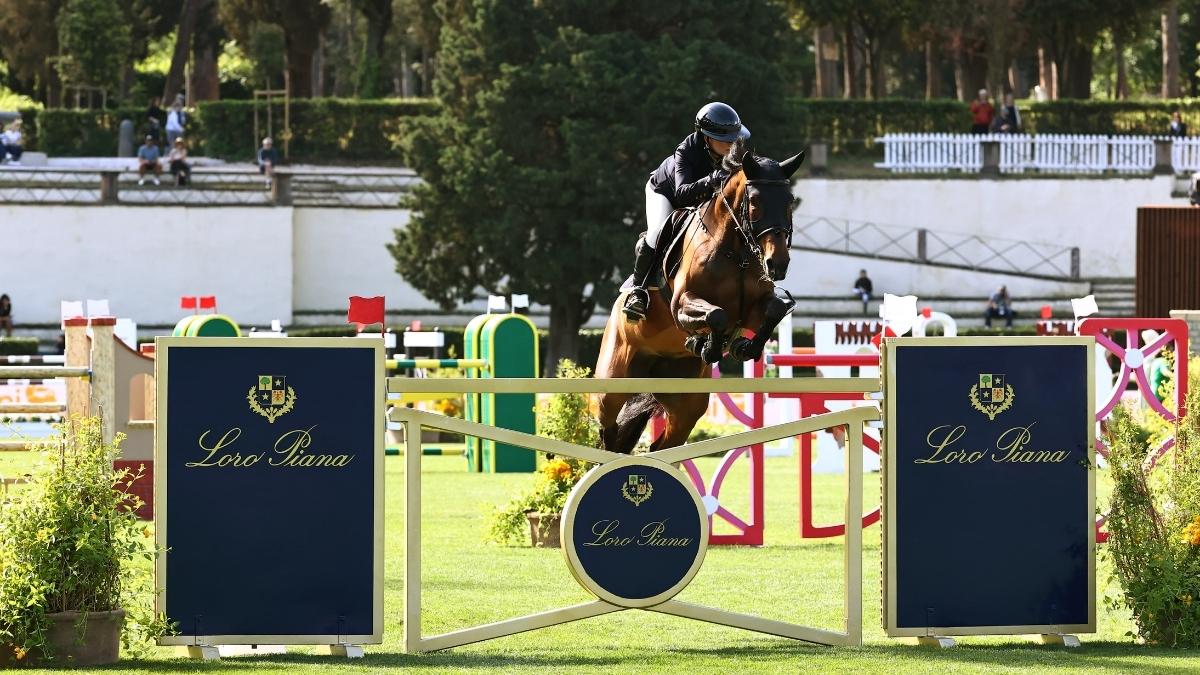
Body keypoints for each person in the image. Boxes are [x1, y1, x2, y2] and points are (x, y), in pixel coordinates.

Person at [623, 102, 748, 321]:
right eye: (725, 140)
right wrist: (711, 180)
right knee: (657, 232)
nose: (731, 145)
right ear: (707, 137)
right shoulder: (686, 151)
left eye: (733, 139)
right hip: (666, 193)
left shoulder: (733, 150)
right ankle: (638, 291)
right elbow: (682, 194)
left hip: (701, 199)